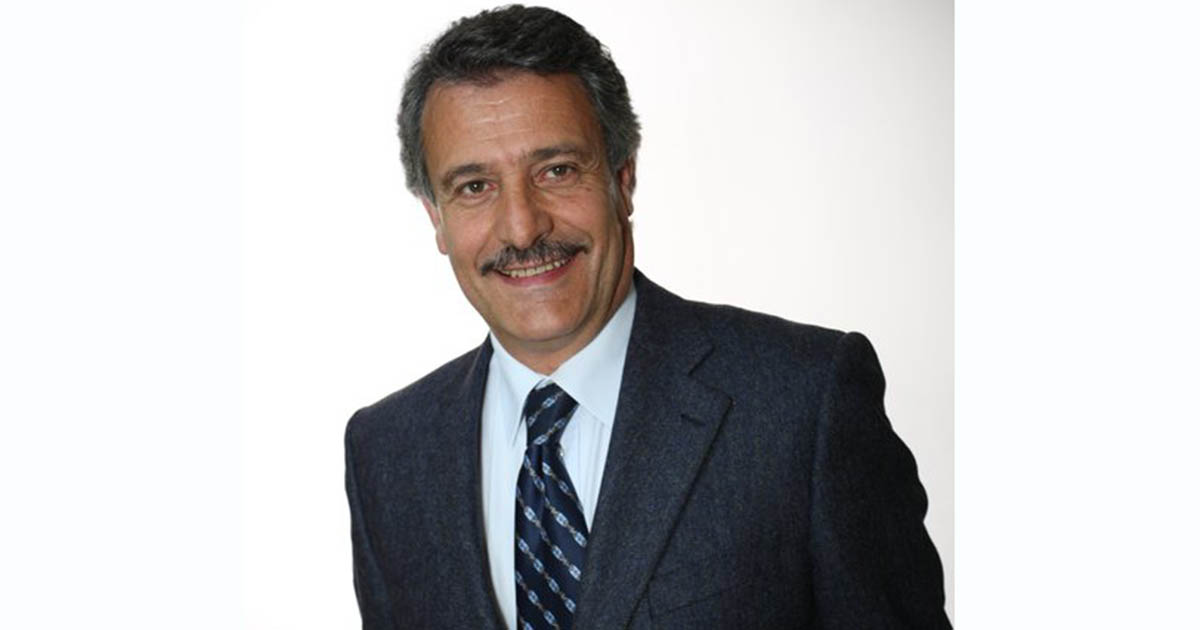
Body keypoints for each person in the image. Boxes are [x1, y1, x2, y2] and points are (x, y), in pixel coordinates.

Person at [344, 5, 950, 629]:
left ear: (623, 178)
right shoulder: (386, 452)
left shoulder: (804, 402)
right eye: (475, 186)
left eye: (557, 171)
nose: (522, 228)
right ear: (435, 216)